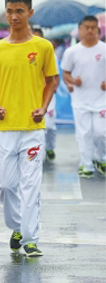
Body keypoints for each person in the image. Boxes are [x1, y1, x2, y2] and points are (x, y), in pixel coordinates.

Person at [0, 0, 58, 257]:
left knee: (31, 186)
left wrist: (43, 106)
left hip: (32, 128)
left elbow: (52, 80)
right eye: (10, 11)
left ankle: (30, 239)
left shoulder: (42, 47)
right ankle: (17, 226)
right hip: (4, 128)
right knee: (6, 186)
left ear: (30, 13)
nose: (14, 16)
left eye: (19, 11)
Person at [62, 15, 106, 176]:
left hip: (102, 100)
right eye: (86, 27)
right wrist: (73, 81)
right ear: (79, 30)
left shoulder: (104, 49)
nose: (89, 30)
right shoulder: (72, 52)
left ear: (98, 30)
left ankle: (100, 159)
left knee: (101, 133)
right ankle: (86, 165)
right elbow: (65, 73)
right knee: (84, 133)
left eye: (93, 27)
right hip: (80, 100)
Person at [32, 27, 58, 162]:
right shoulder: (27, 54)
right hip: (33, 96)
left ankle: (50, 147)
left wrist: (52, 88)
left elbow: (55, 77)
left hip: (48, 95)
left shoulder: (50, 53)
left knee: (51, 126)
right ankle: (39, 155)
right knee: (39, 126)